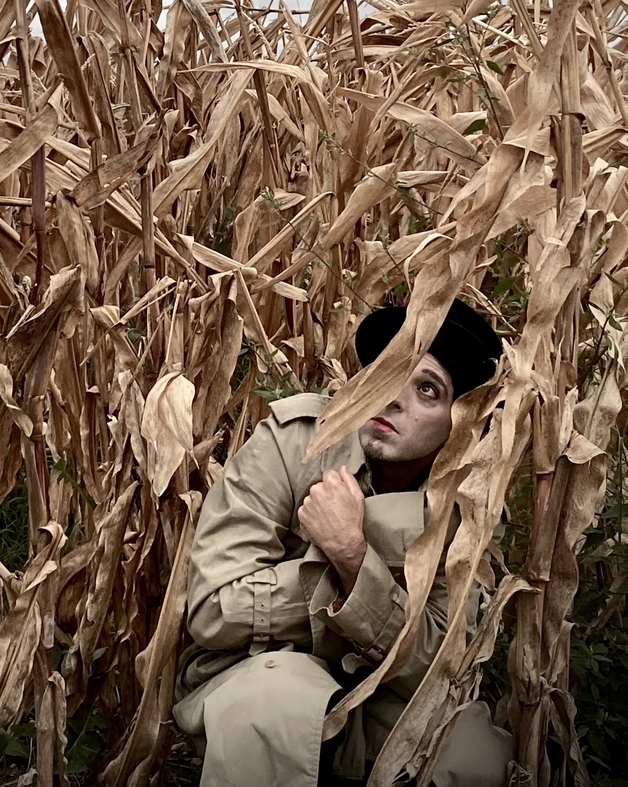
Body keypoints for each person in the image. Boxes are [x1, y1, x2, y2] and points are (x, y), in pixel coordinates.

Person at [173, 300, 515, 787]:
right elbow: (212, 610)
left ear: (461, 425)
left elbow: (440, 669)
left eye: (427, 390)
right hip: (255, 676)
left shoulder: (469, 506)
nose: (394, 397)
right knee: (276, 704)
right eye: (389, 369)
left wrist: (355, 558)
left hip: (382, 695)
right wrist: (336, 569)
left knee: (476, 759)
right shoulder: (294, 444)